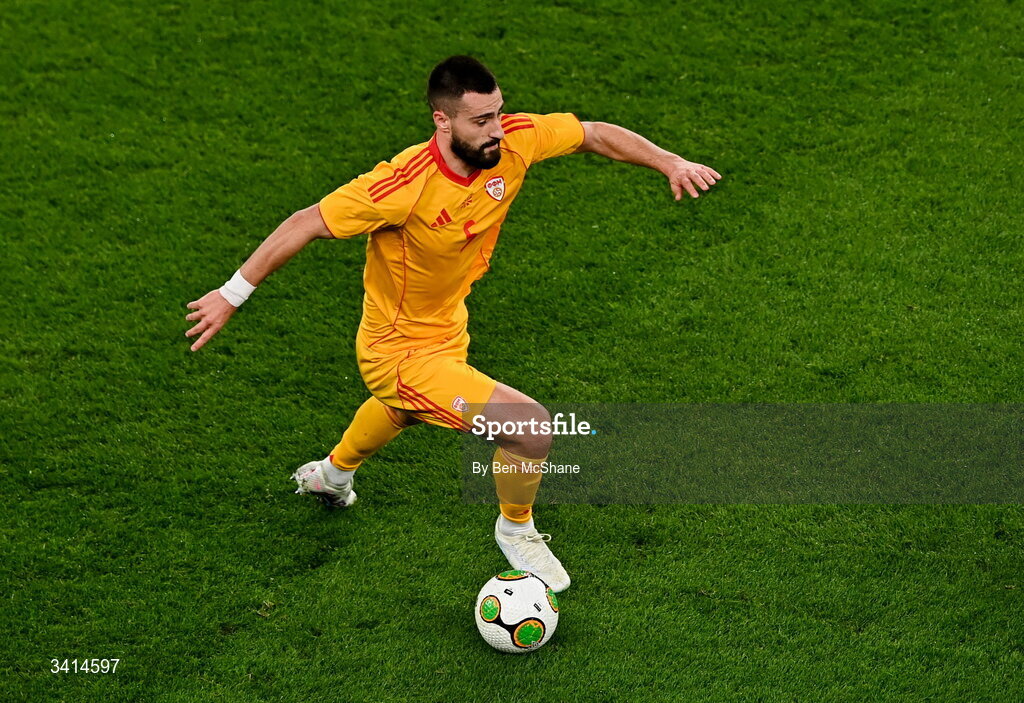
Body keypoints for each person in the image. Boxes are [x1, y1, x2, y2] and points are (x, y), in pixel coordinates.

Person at [185, 55, 720, 593]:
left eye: (499, 114)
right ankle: (516, 532)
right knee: (530, 429)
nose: (497, 132)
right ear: (442, 120)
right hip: (395, 353)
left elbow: (592, 133)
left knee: (405, 411)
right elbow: (306, 222)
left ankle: (332, 475)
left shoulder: (513, 140)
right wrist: (231, 295)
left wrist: (669, 162)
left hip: (446, 328)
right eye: (480, 122)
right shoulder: (403, 184)